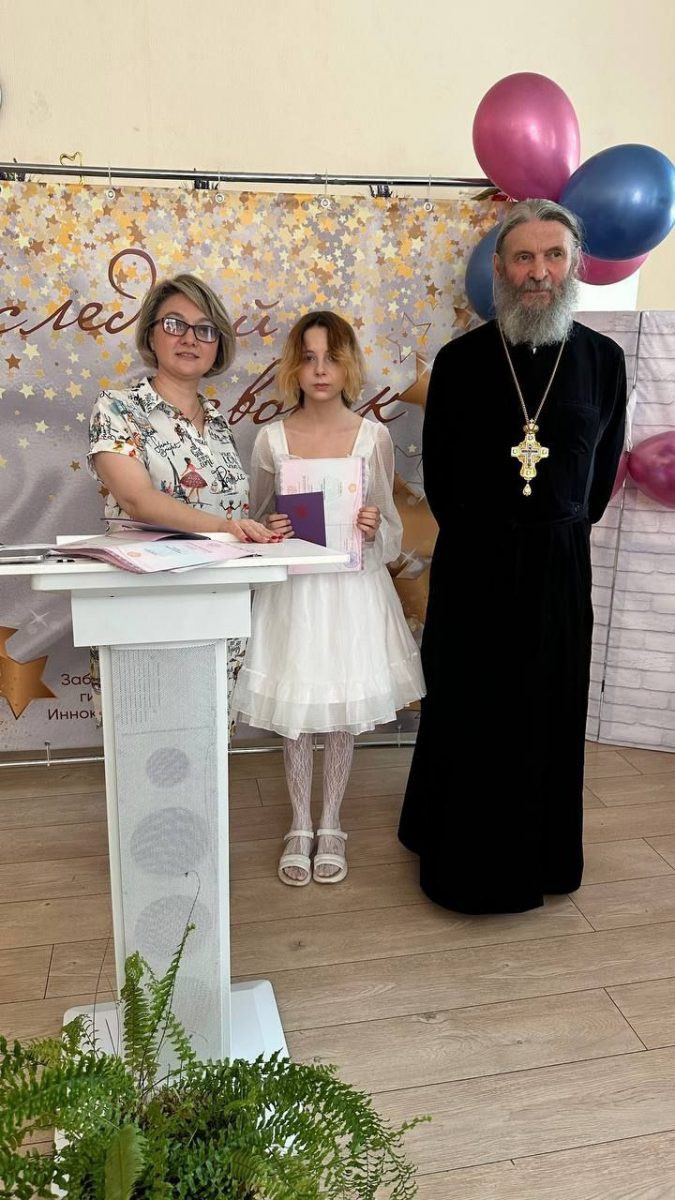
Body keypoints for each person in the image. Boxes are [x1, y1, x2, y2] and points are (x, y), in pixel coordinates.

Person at [398, 199, 627, 915]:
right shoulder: (460, 361)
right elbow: (440, 475)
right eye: (523, 257)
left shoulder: (603, 360)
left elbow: (600, 476)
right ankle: (461, 863)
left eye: (553, 256)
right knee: (470, 710)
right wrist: (494, 532)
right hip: (476, 565)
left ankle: (543, 859)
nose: (538, 272)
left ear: (574, 265)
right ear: (499, 268)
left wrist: (554, 525)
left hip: (559, 566)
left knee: (546, 713)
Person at [233, 311, 425, 885]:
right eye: (309, 358)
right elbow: (258, 518)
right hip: (296, 596)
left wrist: (373, 524)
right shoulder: (271, 439)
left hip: (351, 593)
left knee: (339, 712)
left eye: (332, 358)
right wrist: (272, 528)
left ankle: (332, 821)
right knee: (297, 714)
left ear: (349, 366)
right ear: (294, 366)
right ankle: (299, 823)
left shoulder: (372, 437)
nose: (320, 370)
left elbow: (391, 531)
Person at [88, 273, 275, 704]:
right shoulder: (116, 408)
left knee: (214, 733)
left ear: (217, 344)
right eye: (175, 324)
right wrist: (226, 527)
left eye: (205, 329)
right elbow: (137, 499)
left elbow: (234, 511)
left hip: (221, 610)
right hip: (141, 606)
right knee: (141, 729)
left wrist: (262, 527)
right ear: (151, 335)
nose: (190, 338)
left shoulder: (220, 425)